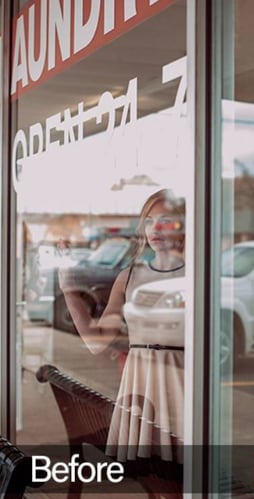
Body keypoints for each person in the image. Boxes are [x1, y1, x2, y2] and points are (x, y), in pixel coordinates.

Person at [59, 189, 186, 488]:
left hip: (183, 389)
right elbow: (96, 342)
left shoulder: (200, 275)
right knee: (159, 483)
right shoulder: (128, 277)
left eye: (166, 220)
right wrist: (68, 290)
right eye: (149, 221)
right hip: (143, 389)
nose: (155, 228)